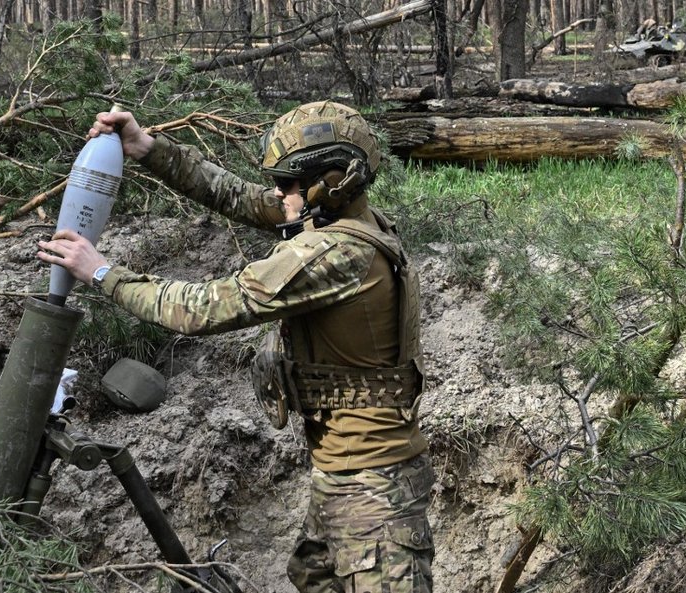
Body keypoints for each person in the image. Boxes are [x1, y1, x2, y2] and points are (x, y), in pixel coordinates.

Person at [37, 101, 434, 592]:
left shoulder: (337, 255)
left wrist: (102, 271)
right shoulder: (344, 218)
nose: (278, 194)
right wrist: (146, 147)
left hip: (375, 493)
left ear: (331, 181)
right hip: (348, 475)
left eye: (289, 183)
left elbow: (202, 307)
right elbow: (234, 195)